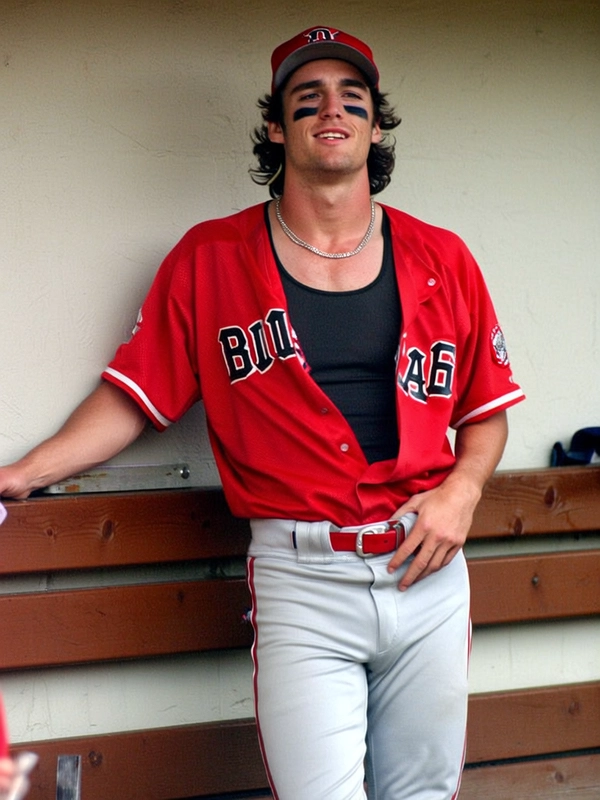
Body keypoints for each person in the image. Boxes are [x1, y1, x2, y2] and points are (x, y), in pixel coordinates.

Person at [0, 26, 525, 799]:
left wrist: (463, 492)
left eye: (353, 97)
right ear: (276, 127)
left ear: (376, 125)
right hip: (302, 573)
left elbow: (486, 410)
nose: (331, 110)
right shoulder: (210, 259)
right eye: (305, 98)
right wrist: (22, 473)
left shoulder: (443, 258)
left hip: (428, 565)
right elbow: (134, 397)